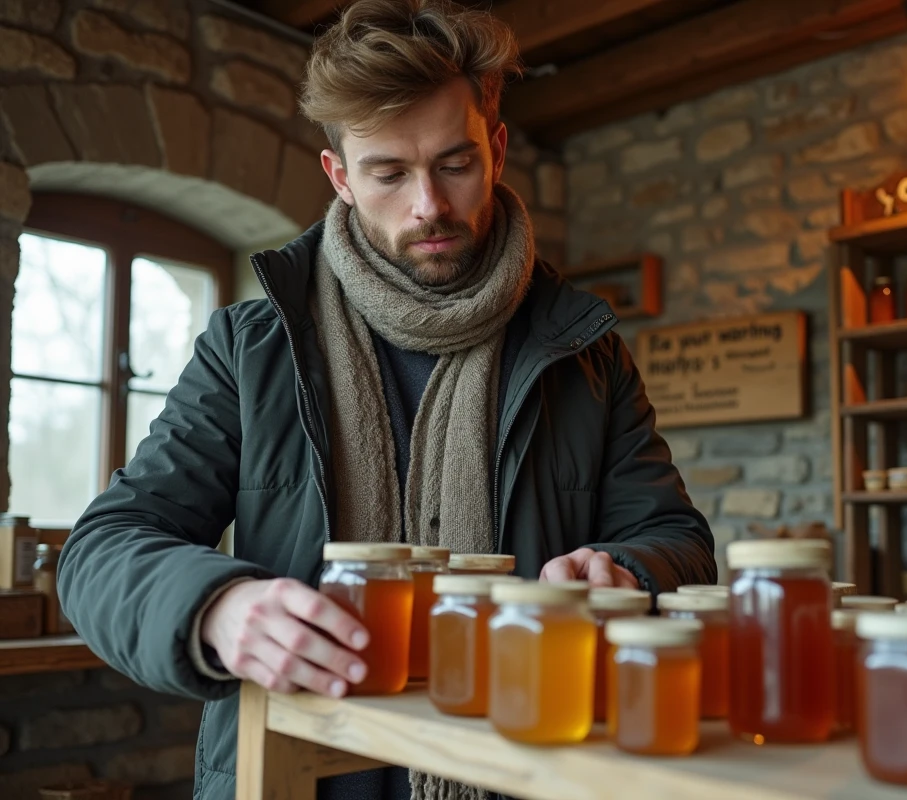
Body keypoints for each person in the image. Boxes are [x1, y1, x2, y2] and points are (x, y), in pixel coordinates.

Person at [57, 1, 715, 798]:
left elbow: (675, 537)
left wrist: (628, 571)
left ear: (497, 150)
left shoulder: (586, 351)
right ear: (340, 176)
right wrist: (217, 609)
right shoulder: (249, 347)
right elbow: (105, 546)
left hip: (534, 769)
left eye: (454, 163)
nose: (429, 206)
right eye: (389, 173)